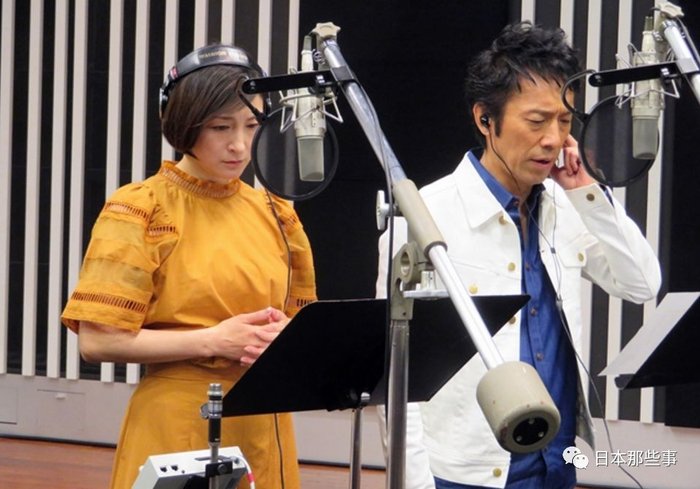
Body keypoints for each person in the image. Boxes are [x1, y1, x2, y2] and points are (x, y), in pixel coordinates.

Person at [375, 22, 661, 489]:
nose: (553, 138)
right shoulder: (426, 217)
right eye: (537, 121)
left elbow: (641, 284)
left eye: (564, 122)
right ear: (485, 120)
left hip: (556, 463)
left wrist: (588, 193)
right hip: (466, 474)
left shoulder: (567, 207)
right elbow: (396, 377)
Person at [61, 44, 316, 489]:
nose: (239, 145)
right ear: (185, 124)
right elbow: (98, 341)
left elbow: (304, 329)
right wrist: (212, 340)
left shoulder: (278, 215)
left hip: (263, 422)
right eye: (221, 127)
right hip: (178, 420)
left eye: (251, 125)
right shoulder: (141, 208)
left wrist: (287, 340)